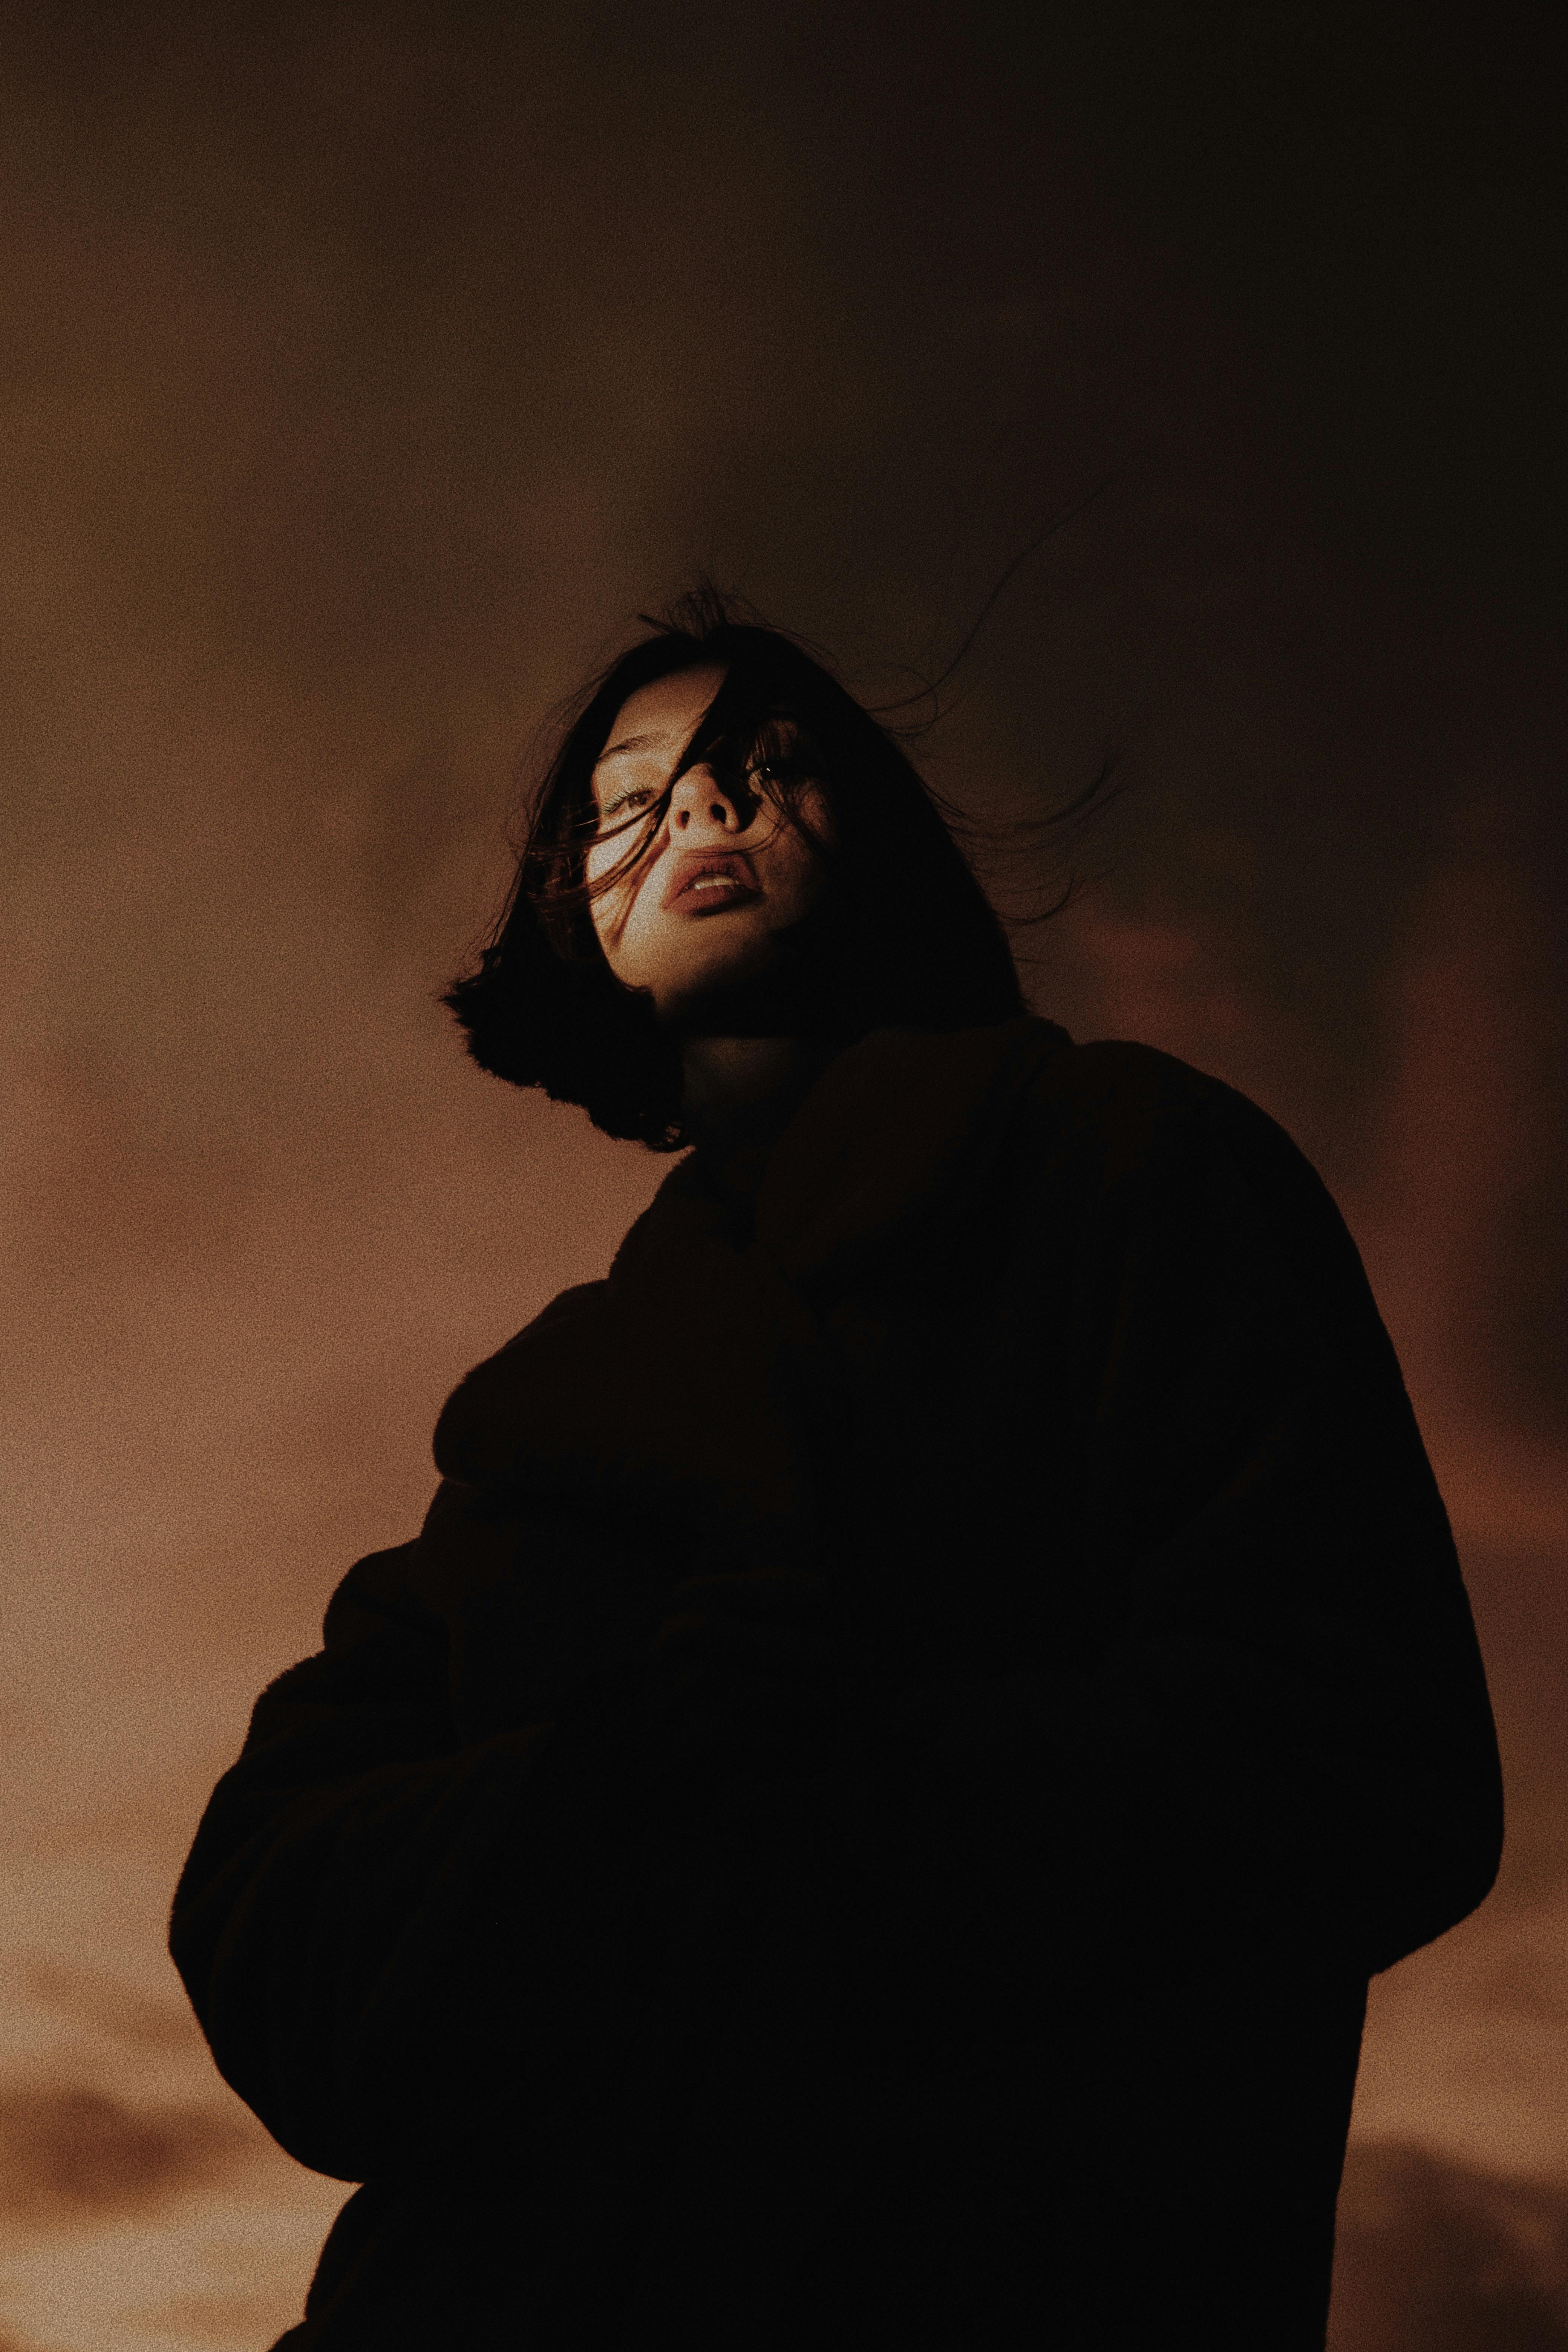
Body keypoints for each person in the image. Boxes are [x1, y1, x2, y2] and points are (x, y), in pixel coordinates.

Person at [169, 586, 1504, 2350]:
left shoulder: (1132, 1171)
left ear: (871, 840)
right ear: (575, 913)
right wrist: (614, 1780)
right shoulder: (538, 1424)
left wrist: (840, 1795)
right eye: (625, 797)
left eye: (761, 767)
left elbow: (1357, 1757)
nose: (697, 811)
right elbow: (266, 1914)